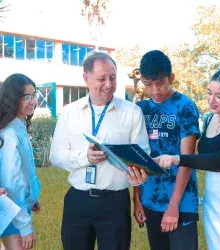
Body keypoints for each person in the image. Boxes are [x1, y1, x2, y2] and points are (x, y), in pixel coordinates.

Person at [49, 51, 150, 250]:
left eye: (112, 77)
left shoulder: (132, 112)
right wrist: (84, 158)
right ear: (86, 78)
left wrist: (140, 175)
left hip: (115, 203)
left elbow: (142, 158)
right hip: (78, 201)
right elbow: (56, 155)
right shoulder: (70, 112)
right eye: (101, 79)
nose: (109, 84)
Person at [155, 67, 220, 250]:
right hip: (212, 197)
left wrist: (178, 159)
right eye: (209, 93)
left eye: (219, 96)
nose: (211, 101)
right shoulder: (208, 119)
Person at [133, 50, 201, 250]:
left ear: (171, 78)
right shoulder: (141, 108)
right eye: (148, 84)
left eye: (160, 83)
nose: (155, 90)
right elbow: (137, 157)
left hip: (181, 200)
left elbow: (187, 160)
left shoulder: (185, 106)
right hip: (150, 198)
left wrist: (173, 207)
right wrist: (136, 199)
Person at [0, 74, 41, 250]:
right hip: (12, 212)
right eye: (27, 97)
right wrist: (25, 226)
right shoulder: (10, 134)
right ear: (13, 99)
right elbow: (12, 183)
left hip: (18, 207)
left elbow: (26, 171)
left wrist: (31, 197)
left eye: (34, 95)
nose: (32, 101)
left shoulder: (19, 126)